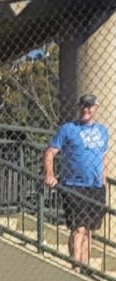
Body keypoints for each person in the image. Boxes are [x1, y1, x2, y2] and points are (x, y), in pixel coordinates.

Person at [44, 93, 110, 267]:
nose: (85, 109)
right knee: (79, 228)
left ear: (95, 108)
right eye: (83, 105)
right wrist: (50, 174)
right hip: (74, 185)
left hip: (95, 186)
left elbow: (104, 157)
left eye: (89, 106)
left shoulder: (102, 131)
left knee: (89, 230)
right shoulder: (68, 129)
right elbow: (50, 153)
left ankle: (86, 267)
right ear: (78, 107)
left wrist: (103, 179)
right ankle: (75, 268)